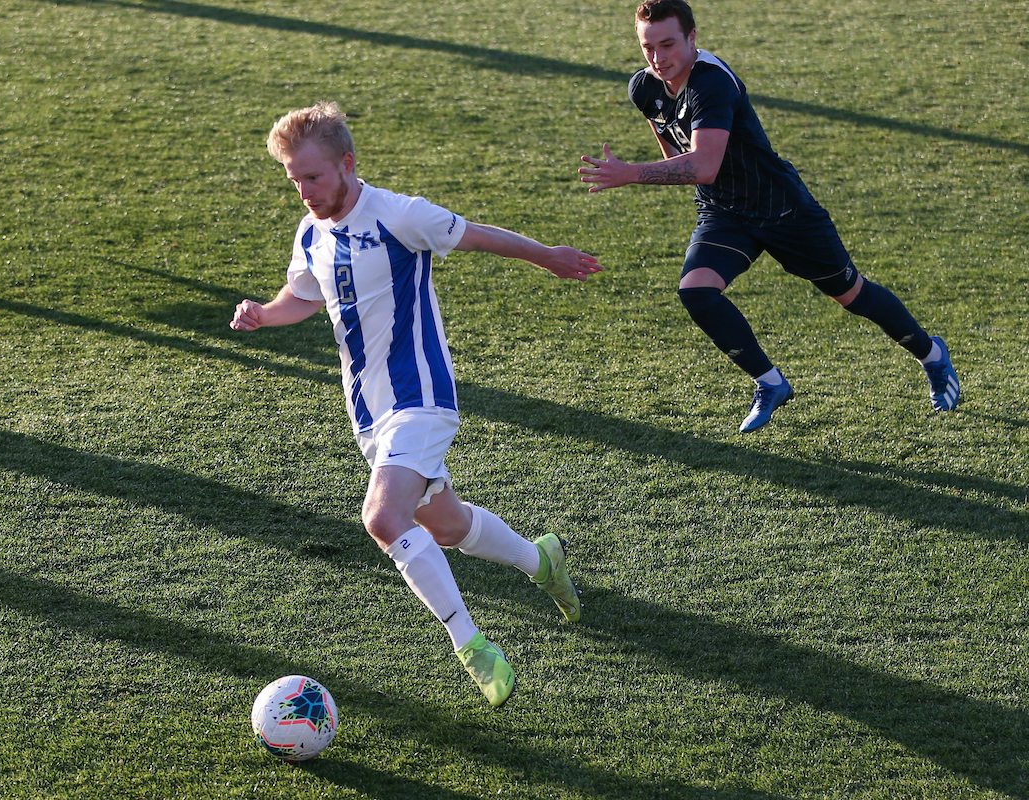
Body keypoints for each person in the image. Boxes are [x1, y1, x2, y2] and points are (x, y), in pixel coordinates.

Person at [231, 101, 603, 707]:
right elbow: (304, 296)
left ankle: (472, 646)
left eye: (313, 177)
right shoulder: (312, 232)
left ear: (347, 164)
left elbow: (478, 235)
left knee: (382, 519)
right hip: (369, 413)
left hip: (421, 396)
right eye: (293, 178)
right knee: (446, 525)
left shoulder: (399, 215)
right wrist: (263, 316)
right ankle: (541, 560)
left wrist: (548, 255)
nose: (303, 190)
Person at [579, 0, 960, 432]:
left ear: (692, 37)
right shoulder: (644, 88)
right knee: (696, 292)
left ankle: (932, 355)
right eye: (648, 47)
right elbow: (680, 157)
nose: (657, 57)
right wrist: (657, 172)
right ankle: (770, 383)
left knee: (853, 296)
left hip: (784, 210)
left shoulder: (712, 84)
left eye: (667, 44)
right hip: (723, 212)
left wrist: (631, 173)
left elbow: (702, 165)